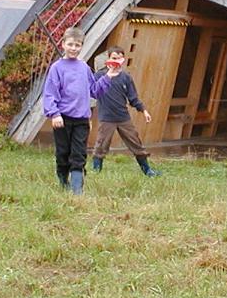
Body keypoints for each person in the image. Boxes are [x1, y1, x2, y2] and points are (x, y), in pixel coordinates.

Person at [42, 27, 118, 195]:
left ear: (81, 46)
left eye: (77, 45)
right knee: (63, 153)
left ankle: (77, 191)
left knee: (79, 154)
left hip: (81, 120)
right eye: (70, 44)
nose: (74, 48)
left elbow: (95, 90)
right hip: (62, 118)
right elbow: (50, 93)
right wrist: (54, 113)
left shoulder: (84, 67)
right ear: (63, 44)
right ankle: (63, 180)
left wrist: (108, 77)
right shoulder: (57, 68)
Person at [90, 46, 161, 177]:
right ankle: (96, 173)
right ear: (108, 59)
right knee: (101, 145)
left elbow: (133, 98)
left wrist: (144, 111)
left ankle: (147, 171)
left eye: (119, 58)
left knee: (136, 143)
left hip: (123, 117)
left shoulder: (126, 77)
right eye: (114, 58)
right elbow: (91, 92)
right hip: (106, 118)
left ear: (123, 59)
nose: (116, 61)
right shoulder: (99, 75)